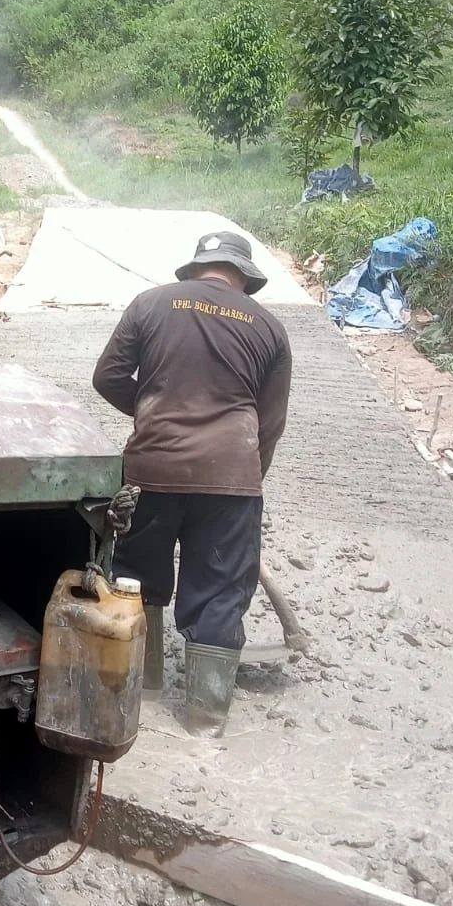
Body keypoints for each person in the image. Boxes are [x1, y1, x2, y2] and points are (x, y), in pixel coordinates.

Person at [93, 231, 292, 736]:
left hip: (152, 470)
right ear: (243, 278)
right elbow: (269, 424)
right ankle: (205, 722)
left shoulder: (150, 303)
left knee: (137, 576)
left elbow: (108, 377)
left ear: (197, 268)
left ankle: (142, 690)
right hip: (232, 478)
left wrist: (154, 410)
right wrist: (245, 479)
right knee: (222, 589)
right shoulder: (269, 327)